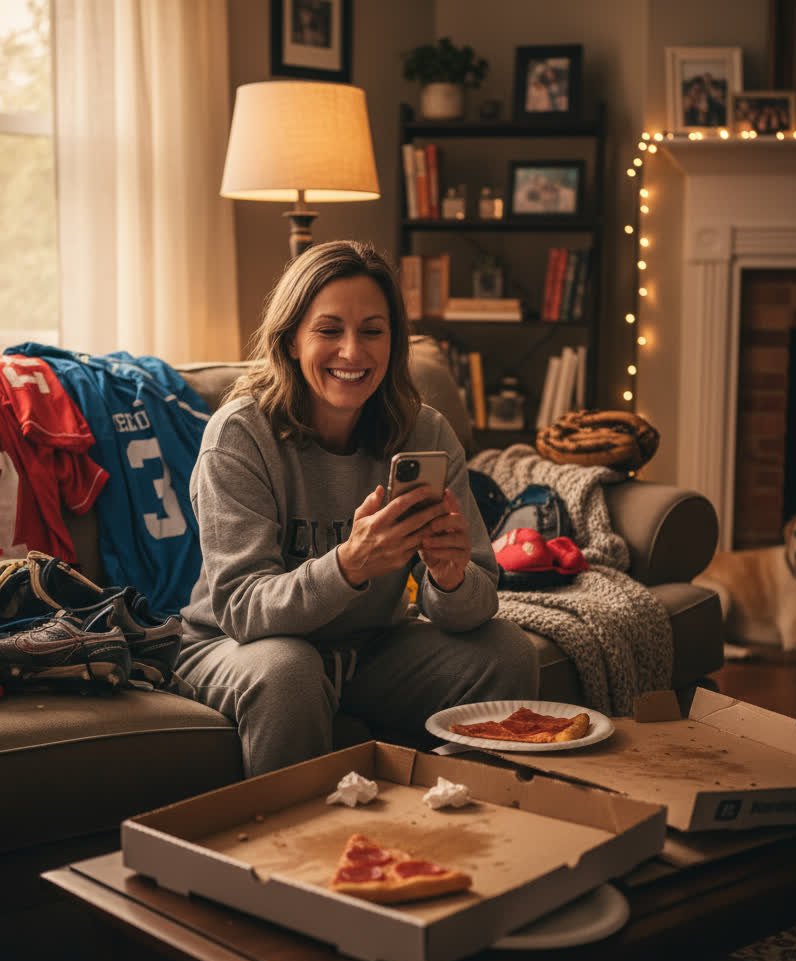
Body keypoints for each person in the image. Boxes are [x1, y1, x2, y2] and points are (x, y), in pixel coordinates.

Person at [172, 240, 538, 776]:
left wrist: (452, 578)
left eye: (372, 330)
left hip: (370, 650)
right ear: (292, 340)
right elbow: (243, 610)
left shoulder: (426, 432)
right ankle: (290, 852)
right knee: (291, 666)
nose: (352, 352)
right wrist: (350, 565)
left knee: (509, 651)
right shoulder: (239, 436)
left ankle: (471, 825)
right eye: (328, 330)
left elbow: (478, 606)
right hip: (237, 647)